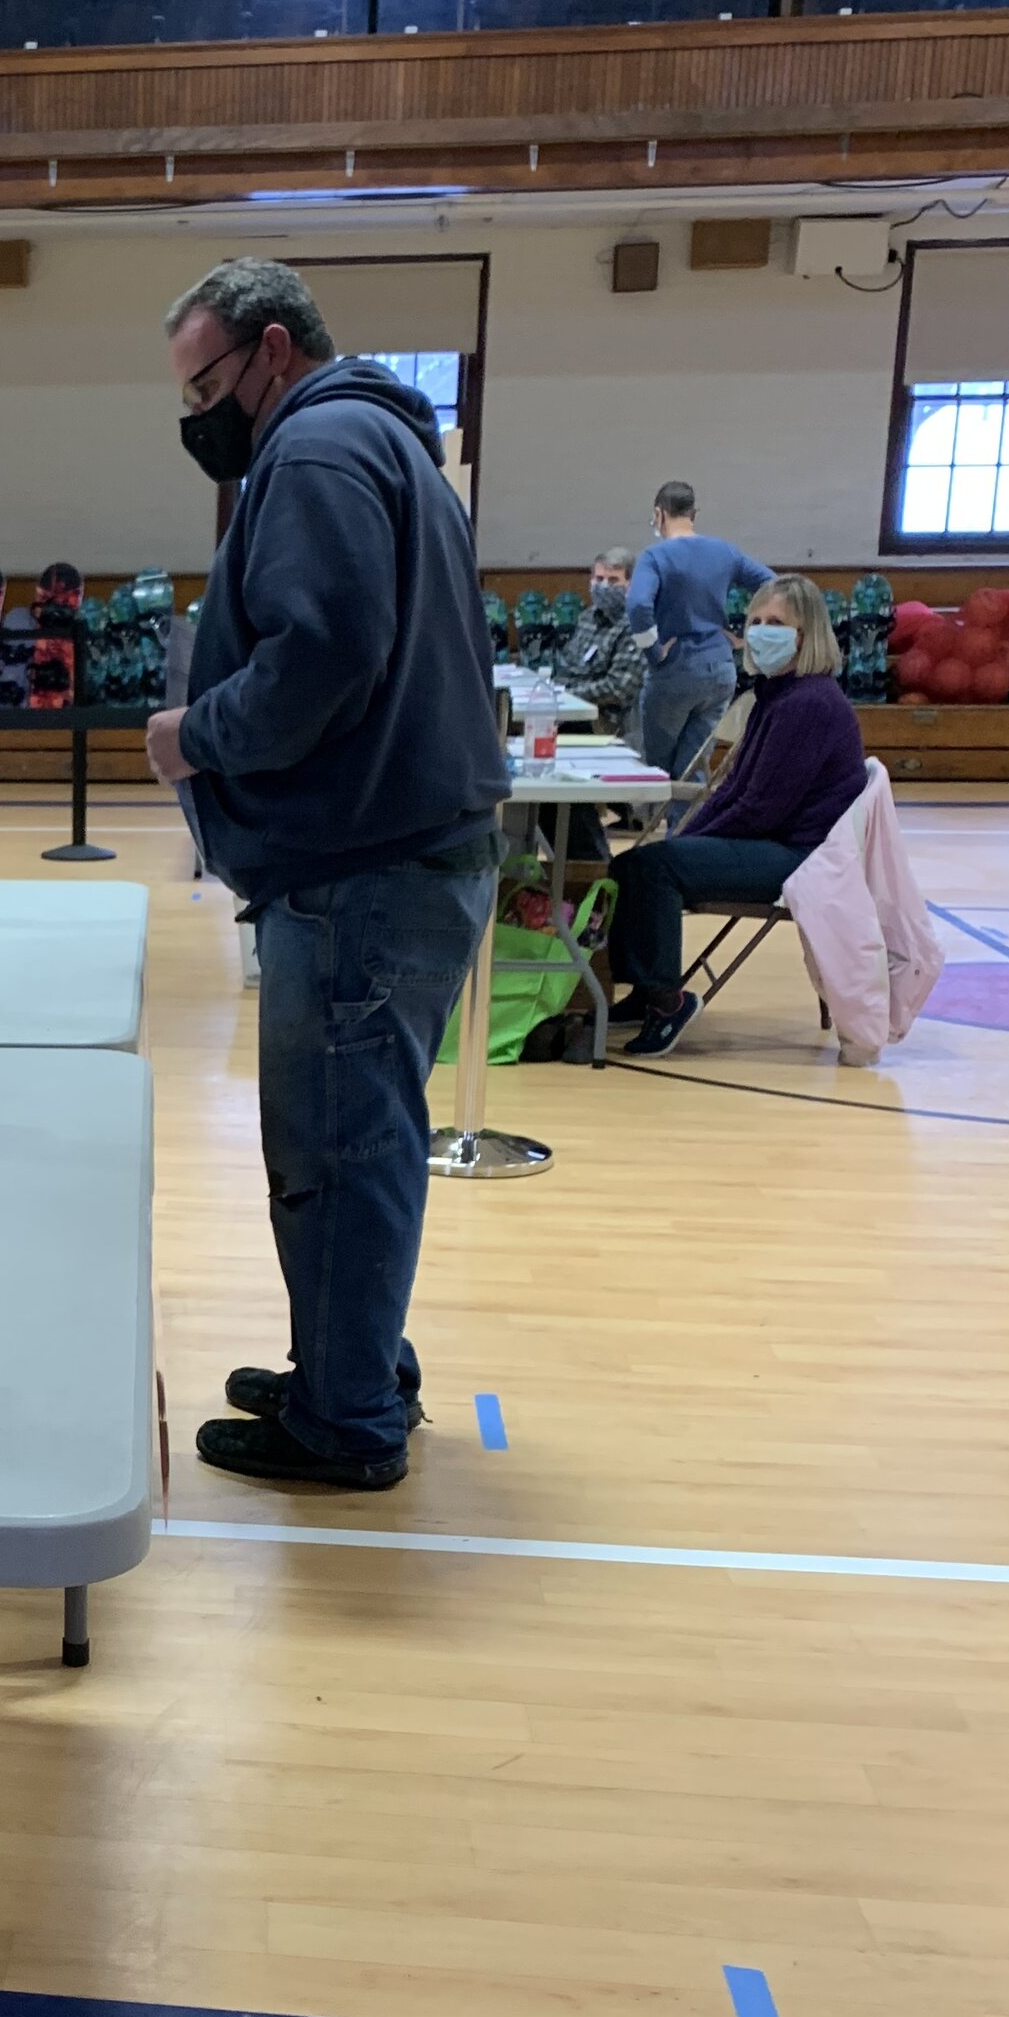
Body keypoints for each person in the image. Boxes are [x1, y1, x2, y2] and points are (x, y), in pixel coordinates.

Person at [145, 257, 508, 1494]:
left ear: (273, 350)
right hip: (400, 854)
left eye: (206, 384)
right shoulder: (382, 441)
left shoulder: (312, 452)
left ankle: (345, 1419)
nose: (199, 414)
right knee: (358, 1143)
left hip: (362, 870)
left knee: (340, 1152)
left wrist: (191, 735)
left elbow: (325, 656)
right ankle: (349, 1367)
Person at [608, 573, 867, 1058]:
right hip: (777, 842)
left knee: (653, 867)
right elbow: (733, 792)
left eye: (776, 623)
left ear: (806, 635)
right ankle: (645, 988)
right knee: (630, 864)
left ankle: (669, 1002)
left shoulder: (807, 704)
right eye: (756, 621)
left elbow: (760, 809)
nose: (761, 631)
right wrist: (689, 834)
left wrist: (684, 842)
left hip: (800, 857)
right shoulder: (779, 693)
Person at [626, 483, 774, 784]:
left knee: (660, 768)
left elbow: (639, 604)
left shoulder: (655, 556)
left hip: (675, 668)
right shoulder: (724, 551)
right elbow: (773, 584)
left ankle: (664, 827)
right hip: (720, 667)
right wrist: (748, 634)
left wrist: (653, 651)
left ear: (659, 513)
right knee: (695, 763)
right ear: (694, 514)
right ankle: (689, 827)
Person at [566, 546, 644, 731]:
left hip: (610, 722)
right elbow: (567, 666)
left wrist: (570, 694)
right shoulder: (587, 618)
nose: (604, 586)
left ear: (631, 584)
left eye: (613, 580)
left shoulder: (638, 625)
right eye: (599, 579)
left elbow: (619, 688)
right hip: (572, 711)